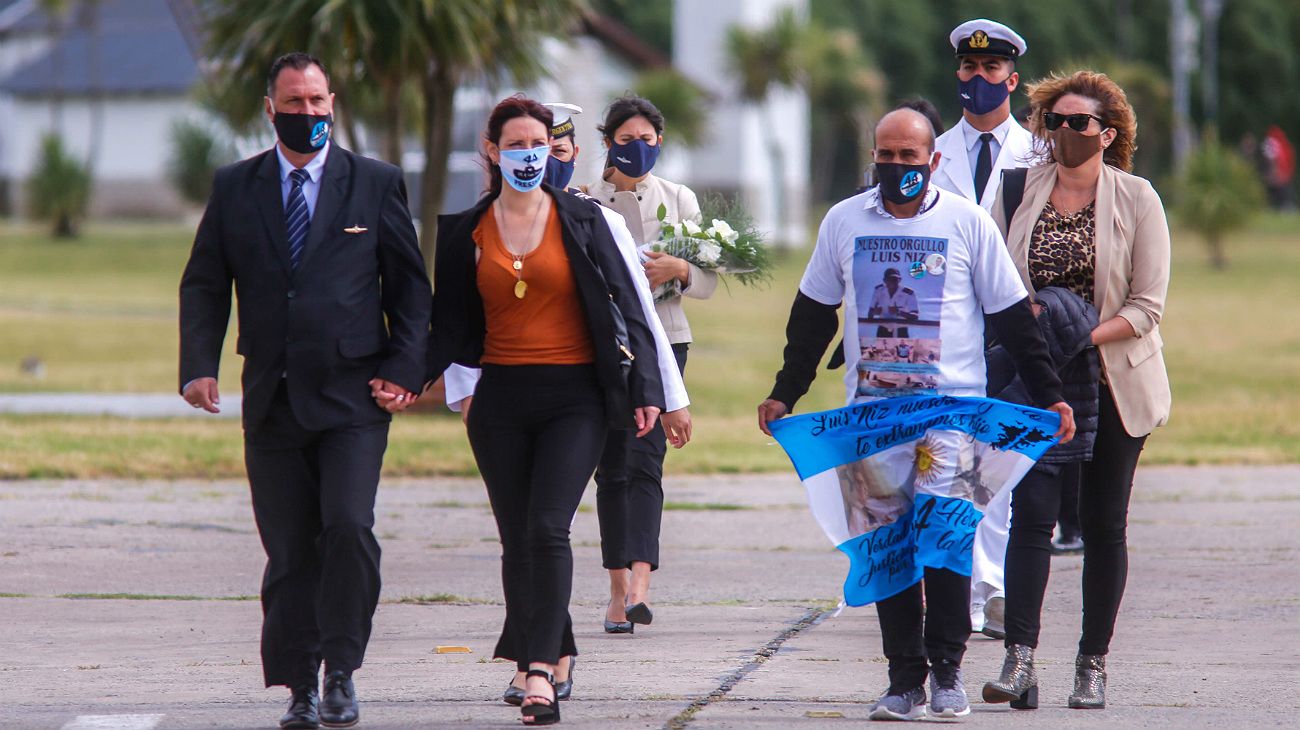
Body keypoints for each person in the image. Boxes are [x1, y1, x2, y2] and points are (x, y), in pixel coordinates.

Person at [757, 108, 1073, 722]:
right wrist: (785, 392)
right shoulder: (843, 221)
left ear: (933, 162)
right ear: (872, 158)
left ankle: (948, 674)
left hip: (949, 419)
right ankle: (904, 681)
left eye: (909, 156)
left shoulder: (967, 223)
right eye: (886, 155)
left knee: (946, 541)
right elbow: (814, 315)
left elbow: (1013, 318)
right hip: (871, 423)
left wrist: (1051, 393)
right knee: (888, 548)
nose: (896, 166)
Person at [178, 52, 430, 729]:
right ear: (270, 108)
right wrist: (198, 365)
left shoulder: (374, 183)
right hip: (272, 398)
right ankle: (298, 685)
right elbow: (204, 282)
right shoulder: (237, 186)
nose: (308, 114)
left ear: (333, 102)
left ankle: (341, 671)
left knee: (347, 527)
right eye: (294, 103)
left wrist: (406, 371)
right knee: (289, 550)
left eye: (318, 101)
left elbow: (410, 291)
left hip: (354, 399)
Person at [440, 99, 692, 707]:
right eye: (521, 145)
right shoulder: (467, 227)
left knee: (547, 527)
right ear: (493, 152)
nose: (534, 156)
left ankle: (535, 668)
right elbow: (450, 323)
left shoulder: (587, 218)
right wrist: (458, 389)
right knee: (519, 535)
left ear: (566, 151)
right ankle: (556, 650)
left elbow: (637, 313)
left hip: (575, 397)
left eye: (546, 145)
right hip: (501, 396)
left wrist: (658, 394)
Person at [981, 70, 1171, 711]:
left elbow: (1146, 306)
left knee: (1102, 525)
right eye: (1054, 121)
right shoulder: (1014, 189)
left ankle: (1092, 665)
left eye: (1079, 123)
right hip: (1035, 380)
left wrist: (1078, 336)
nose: (1064, 132)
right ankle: (1019, 662)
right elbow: (992, 282)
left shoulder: (1138, 198)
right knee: (1030, 517)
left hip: (1112, 380)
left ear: (1107, 133)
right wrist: (1036, 343)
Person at [584, 95, 716, 632]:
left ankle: (641, 584)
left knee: (645, 458)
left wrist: (678, 267)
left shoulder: (679, 198)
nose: (637, 149)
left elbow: (707, 281)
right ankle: (617, 590)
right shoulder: (585, 199)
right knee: (612, 464)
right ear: (607, 142)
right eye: (625, 139)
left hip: (666, 342)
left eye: (647, 139)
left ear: (660, 142)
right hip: (602, 346)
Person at [931, 18, 1036, 639]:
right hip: (944, 330)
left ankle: (989, 587)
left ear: (1012, 79)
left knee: (996, 462)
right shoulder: (931, 152)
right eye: (969, 69)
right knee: (947, 465)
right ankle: (963, 592)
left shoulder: (1040, 155)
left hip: (1011, 328)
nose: (978, 79)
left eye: (991, 70)